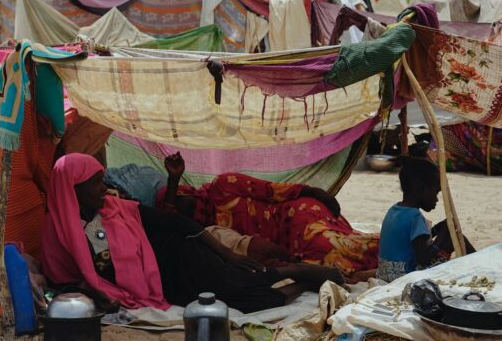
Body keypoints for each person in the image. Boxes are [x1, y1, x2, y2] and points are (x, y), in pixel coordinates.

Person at [41, 153, 344, 313]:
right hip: (164, 286)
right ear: (72, 189)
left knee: (238, 281)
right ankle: (304, 281)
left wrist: (225, 252)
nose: (102, 188)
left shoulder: (115, 208)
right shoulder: (56, 234)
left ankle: (294, 270)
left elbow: (177, 224)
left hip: (178, 257)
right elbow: (64, 283)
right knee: (251, 303)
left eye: (100, 180)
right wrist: (95, 292)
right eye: (94, 182)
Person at [160, 153, 379, 276]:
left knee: (328, 246)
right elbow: (170, 219)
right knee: (321, 264)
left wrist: (315, 192)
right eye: (178, 210)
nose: (184, 208)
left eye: (182, 201)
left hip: (294, 214)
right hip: (283, 242)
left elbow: (271, 190)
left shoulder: (222, 185)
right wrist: (172, 181)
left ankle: (398, 251)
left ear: (186, 191)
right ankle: (392, 259)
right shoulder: (209, 235)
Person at [377, 158, 475, 282]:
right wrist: (442, 234)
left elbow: (415, 241)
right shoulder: (415, 217)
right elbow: (423, 259)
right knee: (455, 239)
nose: (436, 199)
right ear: (421, 187)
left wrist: (436, 229)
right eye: (435, 192)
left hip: (385, 273)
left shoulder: (395, 210)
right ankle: (483, 265)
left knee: (449, 236)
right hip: (404, 277)